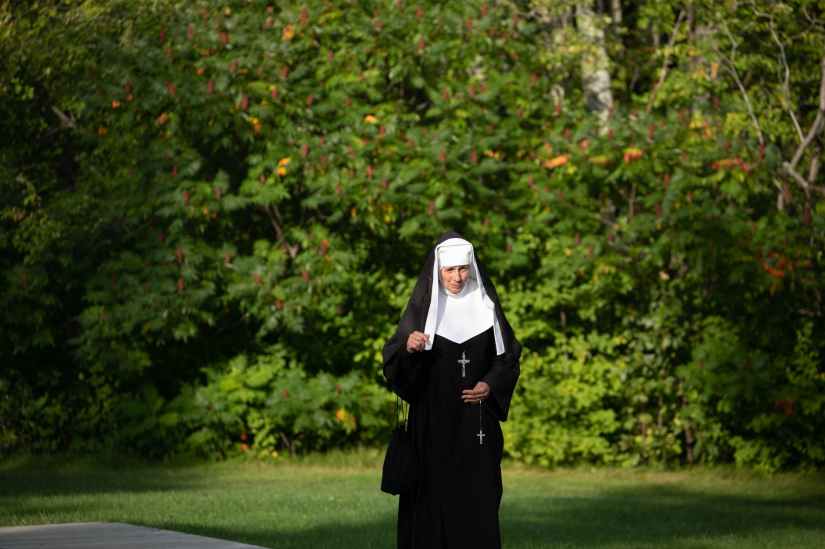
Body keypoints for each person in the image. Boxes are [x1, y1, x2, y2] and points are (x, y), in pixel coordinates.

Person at [382, 232, 521, 549]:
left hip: (476, 427)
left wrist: (490, 384)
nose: (457, 277)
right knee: (431, 499)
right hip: (431, 426)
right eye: (449, 270)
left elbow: (508, 359)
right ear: (438, 270)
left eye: (463, 269)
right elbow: (393, 365)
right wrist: (409, 347)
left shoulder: (487, 310)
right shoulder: (423, 314)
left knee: (478, 496)